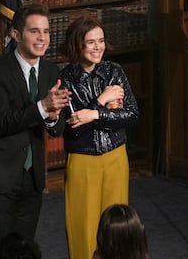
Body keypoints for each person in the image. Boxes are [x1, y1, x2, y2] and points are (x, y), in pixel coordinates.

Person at [0, 3, 70, 258]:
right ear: (16, 35)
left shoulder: (50, 71)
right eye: (34, 31)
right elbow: (3, 122)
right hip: (0, 174)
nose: (42, 38)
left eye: (46, 32)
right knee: (2, 248)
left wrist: (52, 116)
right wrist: (42, 107)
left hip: (33, 175)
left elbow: (57, 129)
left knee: (25, 248)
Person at [58, 15, 139, 259]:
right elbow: (75, 128)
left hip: (116, 156)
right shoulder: (65, 79)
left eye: (101, 40)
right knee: (84, 227)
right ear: (77, 45)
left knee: (117, 228)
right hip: (83, 161)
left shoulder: (114, 71)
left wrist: (92, 113)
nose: (98, 47)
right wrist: (102, 102)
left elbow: (132, 115)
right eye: (90, 42)